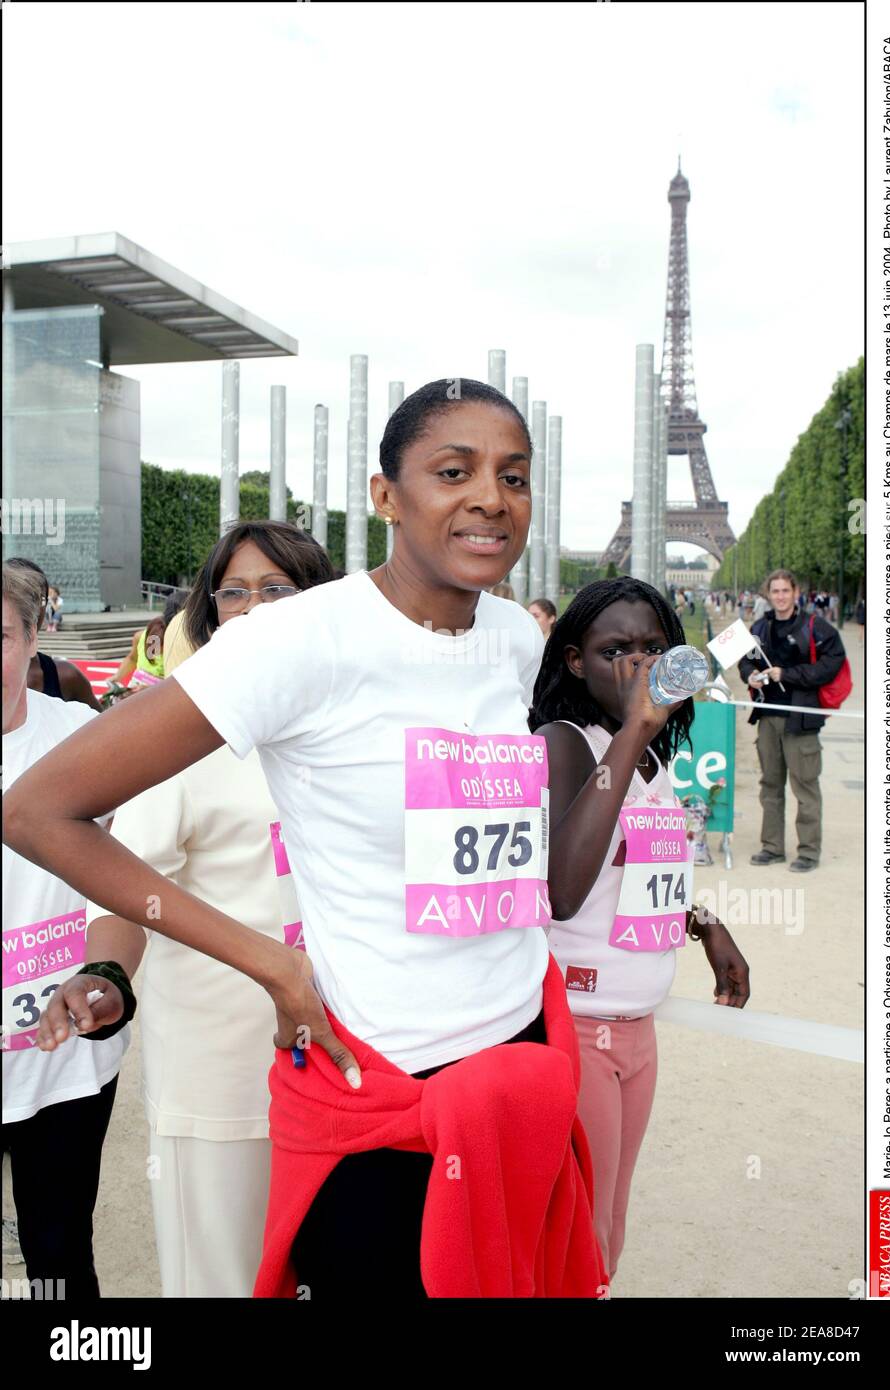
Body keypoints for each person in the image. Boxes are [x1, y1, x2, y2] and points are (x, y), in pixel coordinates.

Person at [5, 379, 605, 1300]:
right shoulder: (294, 642)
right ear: (384, 496)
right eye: (454, 471)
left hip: (520, 1059)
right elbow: (40, 810)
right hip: (385, 1092)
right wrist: (270, 965)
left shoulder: (511, 641)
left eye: (514, 477)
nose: (491, 496)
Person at [36, 522, 335, 1297]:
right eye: (231, 593)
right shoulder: (179, 741)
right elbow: (123, 888)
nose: (251, 609)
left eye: (276, 590)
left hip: (340, 1060)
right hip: (220, 1074)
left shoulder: (348, 736)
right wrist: (107, 971)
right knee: (223, 1282)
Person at [529, 578, 750, 1279]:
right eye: (615, 649)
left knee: (611, 1222)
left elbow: (636, 867)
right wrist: (635, 729)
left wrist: (705, 924)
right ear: (573, 661)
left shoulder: (649, 754)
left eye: (655, 648)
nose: (639, 667)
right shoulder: (566, 743)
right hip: (579, 1023)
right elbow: (563, 888)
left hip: (637, 1022)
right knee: (581, 1229)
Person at [1, 564, 130, 1298]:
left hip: (65, 1062)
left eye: (2, 637)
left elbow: (126, 879)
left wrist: (101, 976)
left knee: (57, 1258)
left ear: (33, 638)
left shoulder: (84, 739)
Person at [737, 569, 846, 873]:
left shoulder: (816, 626)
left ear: (796, 593)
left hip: (801, 720)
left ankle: (809, 852)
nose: (781, 596)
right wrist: (751, 676)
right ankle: (772, 847)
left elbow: (832, 664)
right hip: (768, 718)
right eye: (776, 591)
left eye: (786, 591)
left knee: (805, 788)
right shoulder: (760, 626)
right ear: (768, 594)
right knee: (770, 785)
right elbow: (745, 659)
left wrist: (788, 675)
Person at [5, 558, 101, 712]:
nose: (28, 607)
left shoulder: (66, 676)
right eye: (17, 596)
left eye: (36, 598)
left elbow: (105, 728)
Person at [111, 616, 167, 690]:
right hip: (137, 685)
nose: (157, 651)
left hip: (162, 692)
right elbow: (133, 659)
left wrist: (150, 689)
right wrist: (117, 676)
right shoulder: (140, 636)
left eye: (161, 646)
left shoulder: (180, 646)